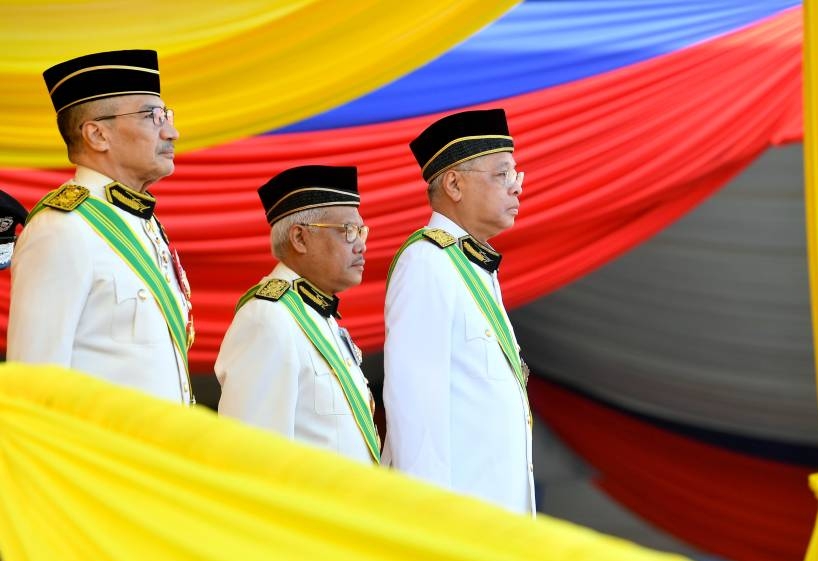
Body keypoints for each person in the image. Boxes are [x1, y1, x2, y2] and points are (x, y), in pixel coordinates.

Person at [6, 49, 193, 404]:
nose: (173, 131)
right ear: (96, 135)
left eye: (167, 115)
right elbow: (34, 386)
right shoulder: (62, 228)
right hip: (97, 457)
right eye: (153, 117)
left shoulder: (143, 224)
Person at [382, 108, 534, 514]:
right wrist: (431, 522)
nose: (516, 188)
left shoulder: (474, 266)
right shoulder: (427, 262)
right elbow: (414, 408)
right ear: (454, 183)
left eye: (515, 175)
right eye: (503, 174)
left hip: (494, 521)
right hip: (456, 523)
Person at [214, 166, 380, 465]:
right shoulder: (267, 317)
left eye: (361, 230)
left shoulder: (317, 314)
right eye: (348, 231)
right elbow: (255, 459)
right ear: (300, 238)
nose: (361, 244)